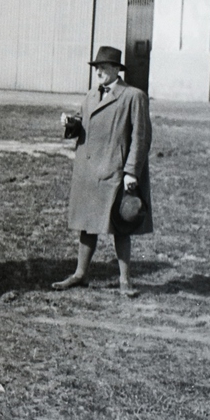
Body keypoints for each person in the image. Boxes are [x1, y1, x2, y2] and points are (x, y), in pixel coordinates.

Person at [52, 46, 153, 295]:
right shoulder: (91, 95)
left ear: (117, 69)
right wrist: (72, 124)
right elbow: (87, 124)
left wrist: (131, 171)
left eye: (104, 67)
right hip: (88, 170)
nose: (98, 71)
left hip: (114, 170)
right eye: (96, 67)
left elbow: (141, 138)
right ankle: (80, 274)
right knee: (87, 224)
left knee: (121, 224)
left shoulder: (133, 96)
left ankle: (124, 281)